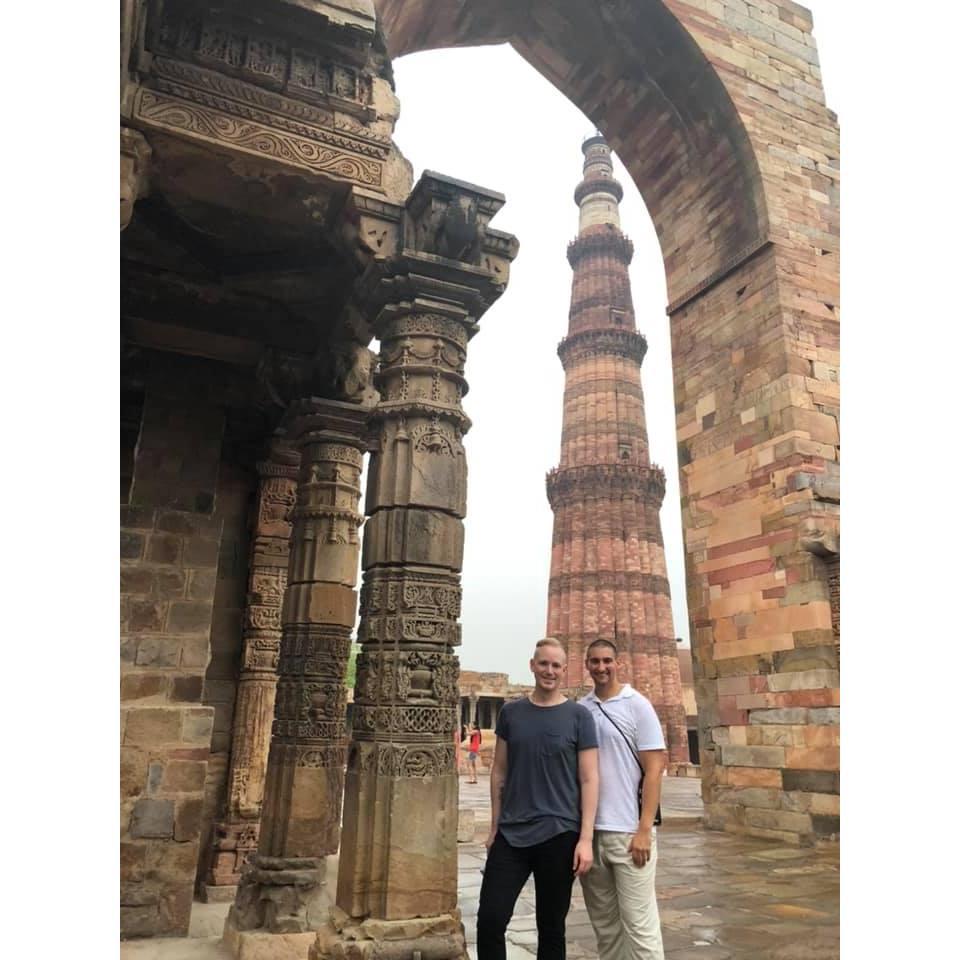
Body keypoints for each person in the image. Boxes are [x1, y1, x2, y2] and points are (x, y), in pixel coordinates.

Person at [477, 638, 599, 960]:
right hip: (512, 833)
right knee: (490, 919)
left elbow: (589, 778)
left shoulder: (578, 717)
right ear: (532, 665)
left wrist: (585, 839)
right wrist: (494, 827)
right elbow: (499, 771)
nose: (549, 671)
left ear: (564, 670)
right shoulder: (512, 712)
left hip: (559, 833)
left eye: (556, 666)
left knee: (551, 927)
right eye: (543, 664)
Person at [579, 639, 668, 960]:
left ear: (618, 663)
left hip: (630, 834)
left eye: (607, 661)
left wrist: (644, 829)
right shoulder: (582, 708)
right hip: (592, 834)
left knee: (639, 925)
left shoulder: (636, 705)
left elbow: (655, 769)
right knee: (606, 927)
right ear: (586, 664)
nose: (601, 667)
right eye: (595, 661)